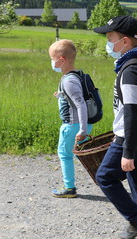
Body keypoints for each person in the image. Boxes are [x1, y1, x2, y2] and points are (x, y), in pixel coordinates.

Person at [93, 15, 137, 239]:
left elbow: (132, 111)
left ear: (125, 41)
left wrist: (127, 151)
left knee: (105, 177)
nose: (108, 43)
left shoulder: (129, 71)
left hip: (128, 137)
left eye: (110, 37)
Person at [48, 39, 92, 198]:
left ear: (61, 60)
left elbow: (80, 104)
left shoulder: (69, 80)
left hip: (72, 126)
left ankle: (69, 188)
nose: (51, 63)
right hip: (79, 124)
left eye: (52, 60)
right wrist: (61, 96)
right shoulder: (76, 75)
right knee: (81, 154)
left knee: (64, 154)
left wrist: (82, 130)